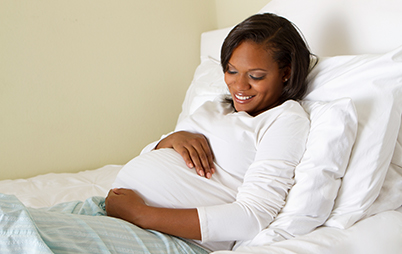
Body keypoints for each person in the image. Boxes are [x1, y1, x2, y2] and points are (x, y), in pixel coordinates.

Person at [106, 12, 313, 252]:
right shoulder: (216, 106)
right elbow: (151, 157)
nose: (239, 85)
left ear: (286, 72)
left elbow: (252, 217)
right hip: (119, 214)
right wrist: (171, 140)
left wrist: (142, 214)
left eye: (255, 76)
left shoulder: (285, 119)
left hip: (168, 237)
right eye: (232, 71)